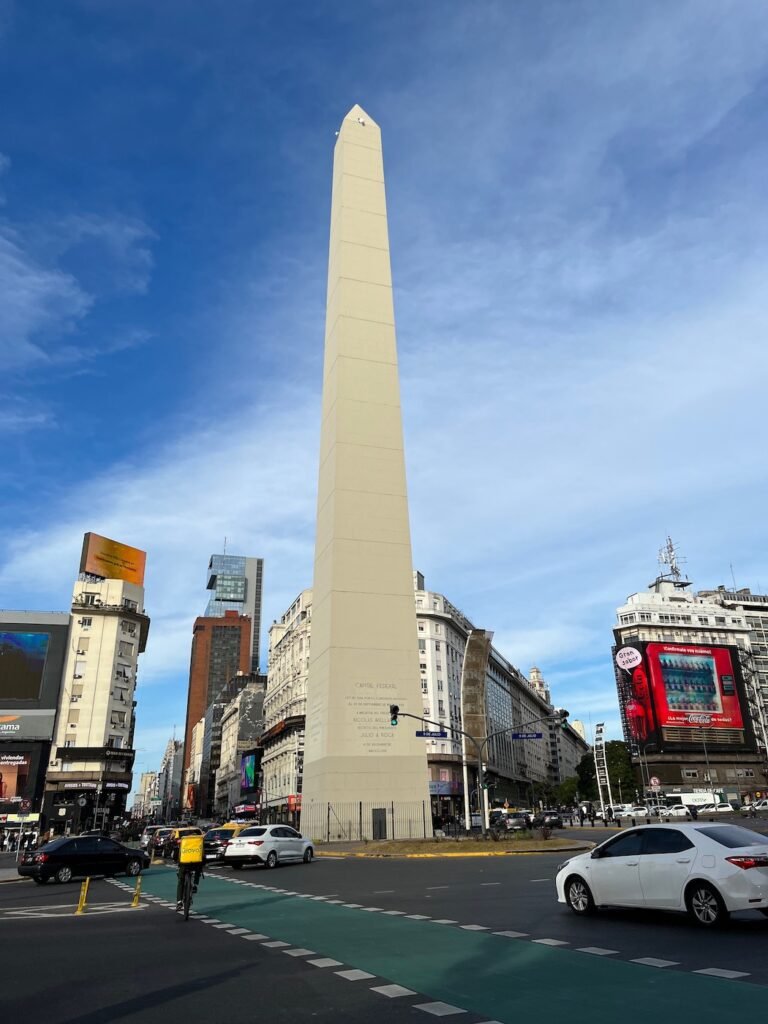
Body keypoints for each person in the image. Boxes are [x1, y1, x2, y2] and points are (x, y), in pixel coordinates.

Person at [176, 832, 204, 911]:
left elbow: (179, 854)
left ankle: (179, 902)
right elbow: (202, 855)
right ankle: (195, 885)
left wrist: (178, 862)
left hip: (184, 864)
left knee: (181, 880)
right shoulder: (199, 841)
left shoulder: (184, 841)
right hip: (196, 864)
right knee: (198, 870)